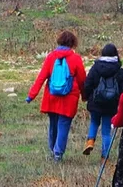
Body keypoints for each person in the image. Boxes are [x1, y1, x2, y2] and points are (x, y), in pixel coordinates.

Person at [27, 30, 88, 162]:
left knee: (53, 125)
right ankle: (58, 153)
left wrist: (31, 95)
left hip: (51, 97)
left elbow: (41, 77)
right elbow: (82, 80)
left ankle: (52, 150)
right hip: (69, 99)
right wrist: (85, 95)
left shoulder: (51, 57)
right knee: (63, 126)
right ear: (73, 43)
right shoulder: (76, 58)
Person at [81, 43, 123, 158]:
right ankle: (105, 156)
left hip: (95, 102)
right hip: (111, 104)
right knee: (106, 131)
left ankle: (90, 141)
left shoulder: (95, 68)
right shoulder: (119, 70)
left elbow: (88, 84)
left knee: (94, 122)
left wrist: (85, 96)